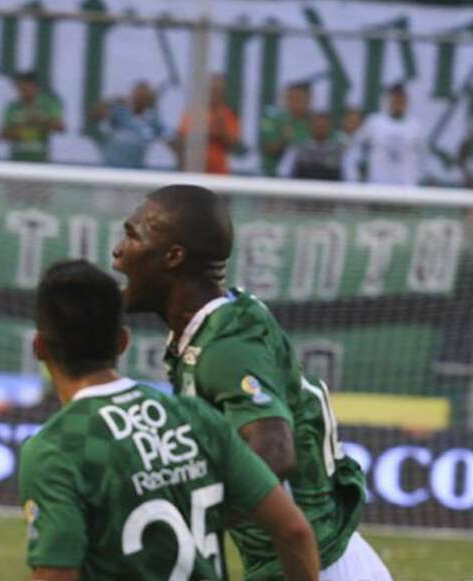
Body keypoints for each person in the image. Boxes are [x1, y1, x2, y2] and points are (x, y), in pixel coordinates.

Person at [112, 185, 392, 581]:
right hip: (315, 561)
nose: (118, 251)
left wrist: (184, 527)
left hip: (313, 566)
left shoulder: (226, 343)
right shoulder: (214, 328)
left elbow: (274, 451)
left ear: (174, 257)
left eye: (133, 235)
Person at [19, 259, 320, 581]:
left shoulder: (57, 449)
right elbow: (294, 531)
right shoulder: (195, 417)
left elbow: (56, 574)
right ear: (123, 341)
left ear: (39, 347)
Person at [345, 83, 426, 186]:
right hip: (379, 190)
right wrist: (353, 180)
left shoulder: (416, 127)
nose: (398, 103)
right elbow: (354, 150)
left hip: (407, 192)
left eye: (401, 99)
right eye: (395, 99)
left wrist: (417, 181)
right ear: (388, 100)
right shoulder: (374, 123)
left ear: (406, 101)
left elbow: (424, 159)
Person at [173, 74, 240, 175]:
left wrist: (219, 129)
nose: (214, 93)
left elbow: (232, 144)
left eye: (218, 90)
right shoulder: (194, 112)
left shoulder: (228, 115)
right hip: (193, 173)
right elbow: (181, 138)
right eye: (212, 89)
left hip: (218, 176)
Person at [92, 81, 164, 169]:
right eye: (138, 95)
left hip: (133, 169)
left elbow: (170, 139)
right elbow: (95, 114)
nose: (140, 99)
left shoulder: (152, 119)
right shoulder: (120, 112)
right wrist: (113, 101)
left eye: (144, 97)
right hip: (110, 167)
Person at [2, 71, 63, 163]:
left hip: (39, 159)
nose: (22, 91)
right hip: (17, 160)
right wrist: (23, 126)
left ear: (34, 87)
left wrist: (41, 120)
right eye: (19, 88)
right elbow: (4, 134)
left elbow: (60, 127)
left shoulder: (47, 105)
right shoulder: (13, 108)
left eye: (25, 87)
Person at [259, 82, 312, 176]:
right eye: (292, 98)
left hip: (306, 179)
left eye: (300, 99)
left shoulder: (314, 123)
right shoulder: (274, 119)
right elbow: (268, 149)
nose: (296, 103)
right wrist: (283, 138)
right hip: (273, 177)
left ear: (308, 100)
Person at [279, 110, 348, 181]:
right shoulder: (297, 148)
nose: (320, 128)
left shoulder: (340, 150)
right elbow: (283, 172)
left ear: (330, 126)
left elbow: (349, 176)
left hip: (331, 190)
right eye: (318, 125)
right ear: (310, 126)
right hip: (302, 188)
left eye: (323, 126)